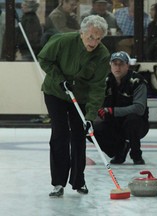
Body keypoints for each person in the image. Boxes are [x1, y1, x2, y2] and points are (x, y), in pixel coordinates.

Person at [38, 15, 110, 197]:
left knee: (79, 136)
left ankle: (79, 181)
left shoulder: (102, 55)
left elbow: (98, 87)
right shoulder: (63, 41)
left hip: (81, 98)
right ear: (82, 33)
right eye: (90, 37)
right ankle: (58, 183)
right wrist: (60, 80)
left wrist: (90, 116)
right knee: (60, 134)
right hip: (56, 92)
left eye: (98, 38)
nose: (94, 42)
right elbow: (44, 59)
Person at [93, 51, 149, 165]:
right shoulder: (105, 81)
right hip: (114, 123)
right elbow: (95, 100)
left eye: (121, 64)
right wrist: (97, 110)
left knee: (132, 120)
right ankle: (118, 151)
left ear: (127, 66)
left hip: (137, 125)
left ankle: (136, 154)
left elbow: (139, 108)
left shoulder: (138, 81)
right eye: (115, 64)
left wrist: (112, 111)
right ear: (110, 65)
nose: (117, 67)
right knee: (90, 128)